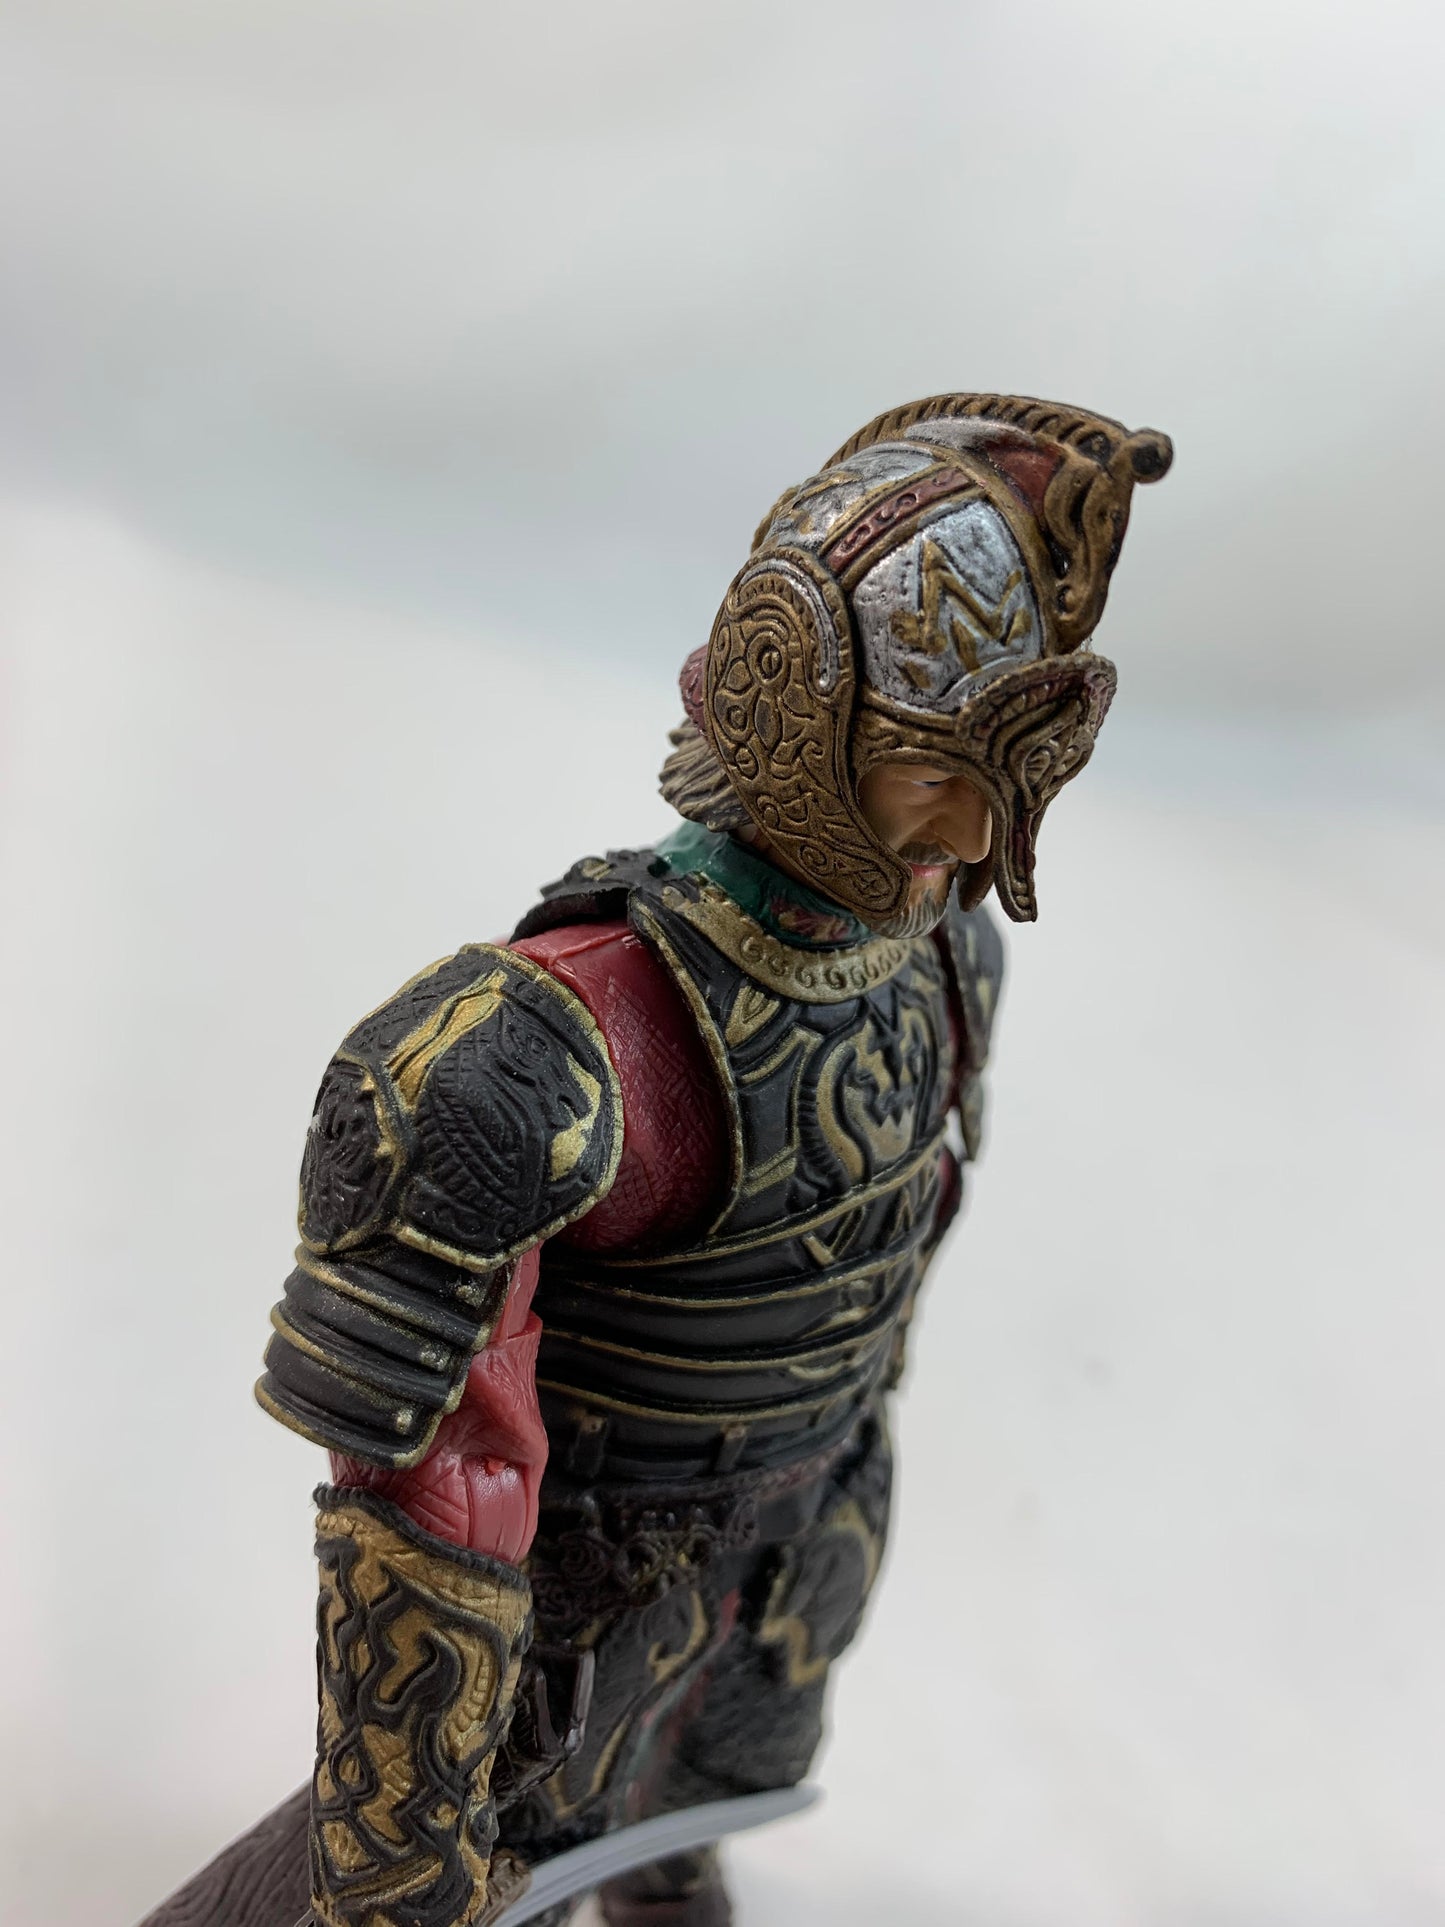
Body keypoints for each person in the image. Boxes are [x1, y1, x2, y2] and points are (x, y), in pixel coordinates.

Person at [143, 391, 1170, 1927]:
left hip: (780, 1576)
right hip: (567, 1632)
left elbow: (878, 1294)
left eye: (1012, 768)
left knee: (671, 1841)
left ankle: (669, 1856)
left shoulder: (951, 965)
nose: (973, 831)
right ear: (798, 707)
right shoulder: (523, 1055)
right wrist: (399, 1861)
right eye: (934, 766)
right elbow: (430, 1484)